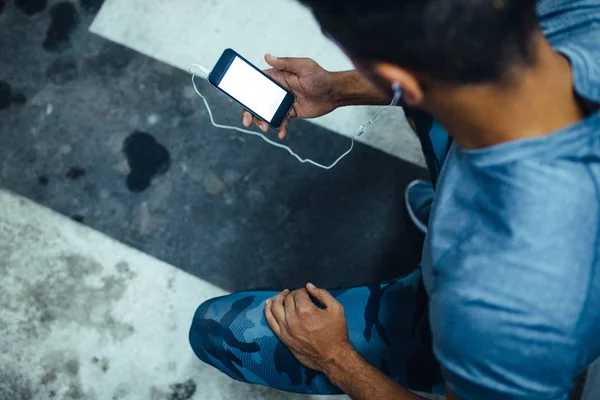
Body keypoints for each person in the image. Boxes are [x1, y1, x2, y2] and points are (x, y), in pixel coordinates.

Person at [189, 0, 600, 398]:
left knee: (221, 331)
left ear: (392, 73)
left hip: (504, 299)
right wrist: (335, 90)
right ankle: (450, 204)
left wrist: (336, 358)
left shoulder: (496, 310)